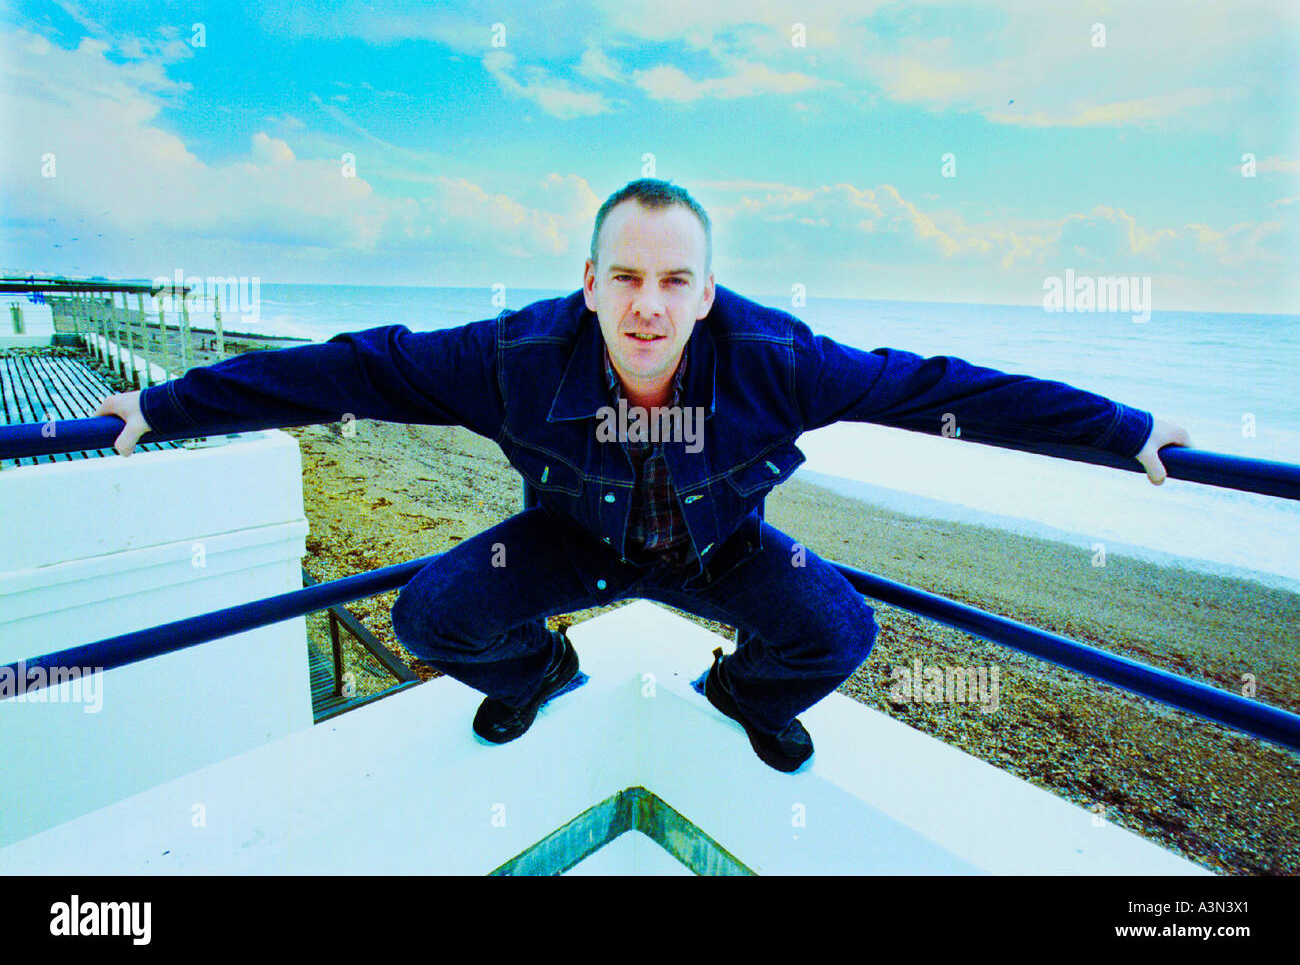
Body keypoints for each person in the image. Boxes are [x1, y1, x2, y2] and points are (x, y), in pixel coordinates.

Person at [95, 178, 1192, 774]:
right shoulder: (508, 360)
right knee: (433, 617)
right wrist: (162, 405)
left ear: (708, 293)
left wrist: (1124, 429)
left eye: (675, 280)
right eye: (624, 276)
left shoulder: (781, 365)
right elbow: (351, 367)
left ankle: (736, 695)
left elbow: (944, 389)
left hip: (723, 549)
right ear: (588, 282)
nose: (647, 306)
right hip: (570, 541)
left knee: (839, 632)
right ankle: (539, 677)